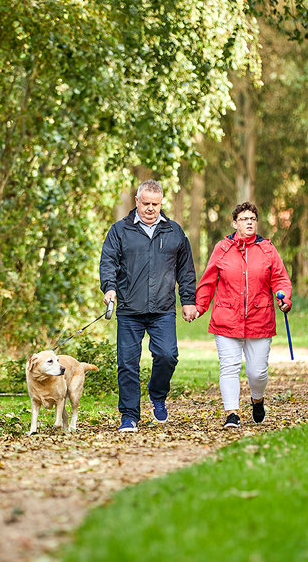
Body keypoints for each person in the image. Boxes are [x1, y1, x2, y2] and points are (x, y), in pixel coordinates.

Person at [99, 179, 199, 433]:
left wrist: (188, 301)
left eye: (155, 204)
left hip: (163, 309)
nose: (151, 209)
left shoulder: (174, 231)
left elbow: (186, 270)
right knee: (127, 363)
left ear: (161, 203)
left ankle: (157, 395)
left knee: (167, 356)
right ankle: (130, 416)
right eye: (146, 203)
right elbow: (108, 261)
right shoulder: (120, 231)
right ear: (136, 202)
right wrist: (109, 287)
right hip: (130, 310)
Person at [194, 201, 292, 428]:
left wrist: (284, 299)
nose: (249, 222)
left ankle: (258, 400)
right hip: (226, 319)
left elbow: (280, 279)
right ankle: (232, 413)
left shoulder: (268, 249)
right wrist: (200, 307)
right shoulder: (222, 248)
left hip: (260, 319)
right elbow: (209, 280)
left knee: (257, 372)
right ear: (234, 223)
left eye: (252, 219)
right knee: (229, 367)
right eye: (244, 219)